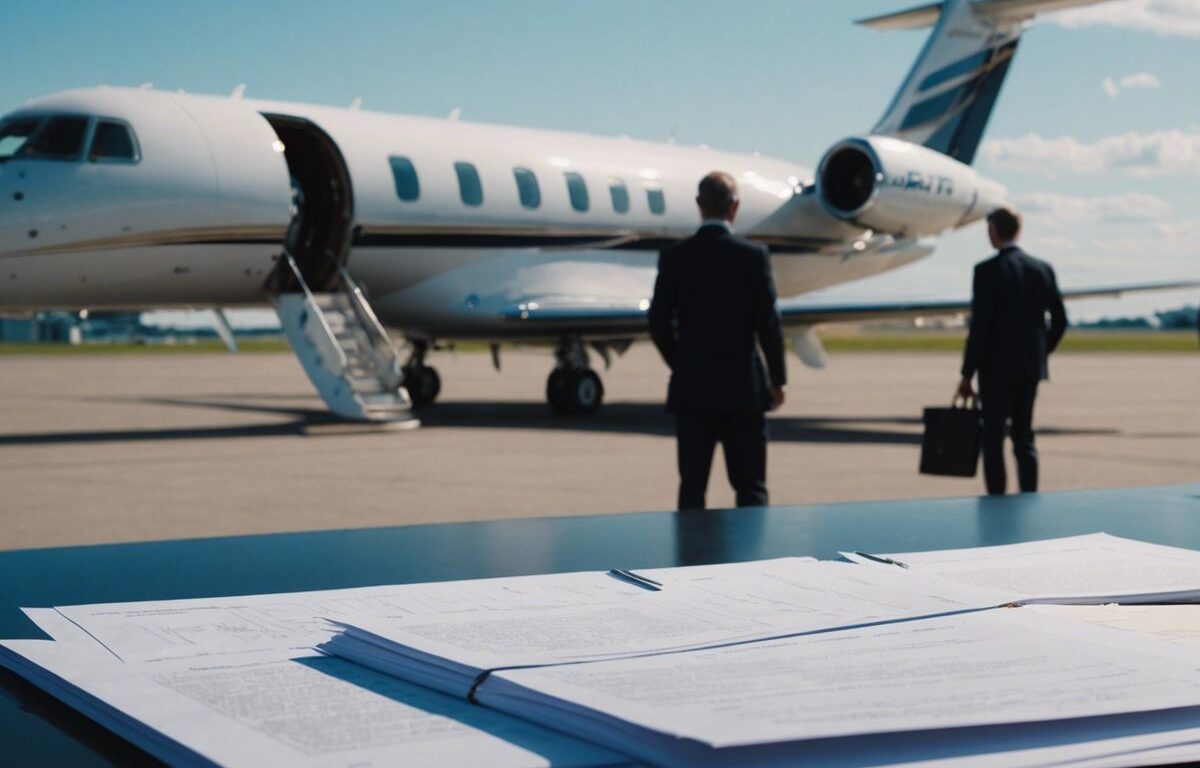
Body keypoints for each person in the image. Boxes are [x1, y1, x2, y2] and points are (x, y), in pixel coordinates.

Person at [649, 171, 787, 510]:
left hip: (692, 389)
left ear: (699, 205)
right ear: (735, 207)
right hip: (743, 389)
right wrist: (777, 379)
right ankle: (757, 563)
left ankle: (690, 559)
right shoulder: (753, 257)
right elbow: (768, 324)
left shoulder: (675, 257)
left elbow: (657, 322)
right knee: (751, 488)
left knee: (692, 488)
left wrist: (680, 361)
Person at [958, 207, 1067, 496]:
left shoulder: (986, 271)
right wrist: (1042, 352)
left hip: (995, 370)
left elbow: (980, 327)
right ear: (1017, 231)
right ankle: (1029, 497)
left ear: (993, 231)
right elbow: (1060, 320)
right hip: (1030, 368)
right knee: (1024, 438)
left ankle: (998, 500)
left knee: (993, 439)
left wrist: (967, 373)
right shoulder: (1042, 269)